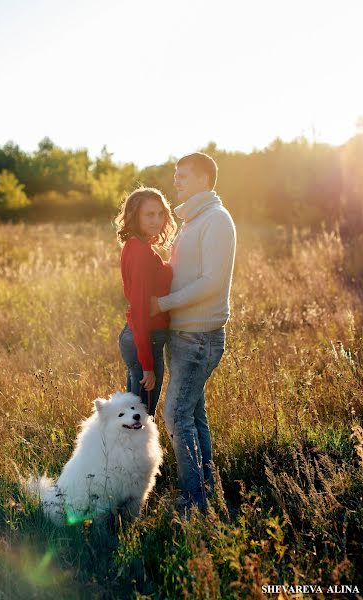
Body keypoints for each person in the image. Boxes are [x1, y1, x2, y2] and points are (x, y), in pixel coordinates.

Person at [150, 152, 236, 511]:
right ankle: (207, 493)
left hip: (199, 337)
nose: (176, 180)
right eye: (175, 174)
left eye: (183, 174)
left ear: (203, 178)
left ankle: (193, 501)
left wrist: (164, 304)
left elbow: (213, 283)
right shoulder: (194, 218)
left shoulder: (216, 220)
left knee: (175, 415)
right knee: (193, 413)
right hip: (184, 334)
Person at [115, 187, 177, 417]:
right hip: (145, 339)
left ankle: (123, 453)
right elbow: (141, 310)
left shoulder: (135, 246)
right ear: (135, 216)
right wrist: (148, 365)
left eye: (160, 214)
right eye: (149, 215)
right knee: (141, 419)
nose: (156, 220)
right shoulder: (141, 252)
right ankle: (130, 454)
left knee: (133, 417)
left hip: (139, 337)